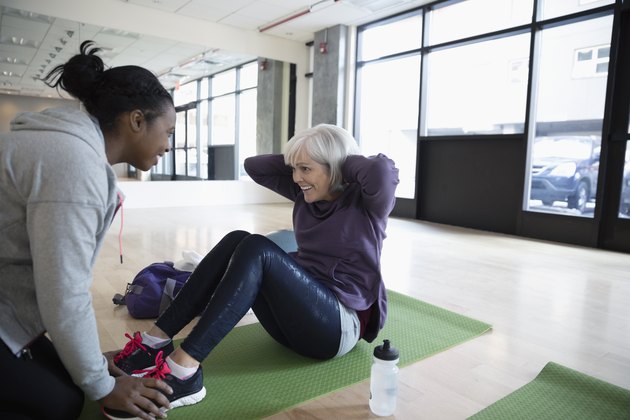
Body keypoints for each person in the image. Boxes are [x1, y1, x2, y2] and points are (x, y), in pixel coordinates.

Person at [108, 124, 399, 418]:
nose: (297, 178)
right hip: (296, 325)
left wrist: (339, 160)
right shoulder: (305, 193)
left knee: (258, 249)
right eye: (294, 169)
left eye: (306, 169)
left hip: (336, 328)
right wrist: (304, 156)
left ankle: (184, 370)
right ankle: (154, 342)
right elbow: (254, 167)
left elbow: (381, 172)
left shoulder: (367, 202)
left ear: (336, 168)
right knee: (239, 239)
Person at [0, 40, 176, 419]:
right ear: (136, 120)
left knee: (67, 380)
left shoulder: (70, 148)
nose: (167, 145)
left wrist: (90, 366)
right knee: (61, 404)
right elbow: (63, 292)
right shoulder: (74, 165)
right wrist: (102, 384)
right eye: (168, 131)